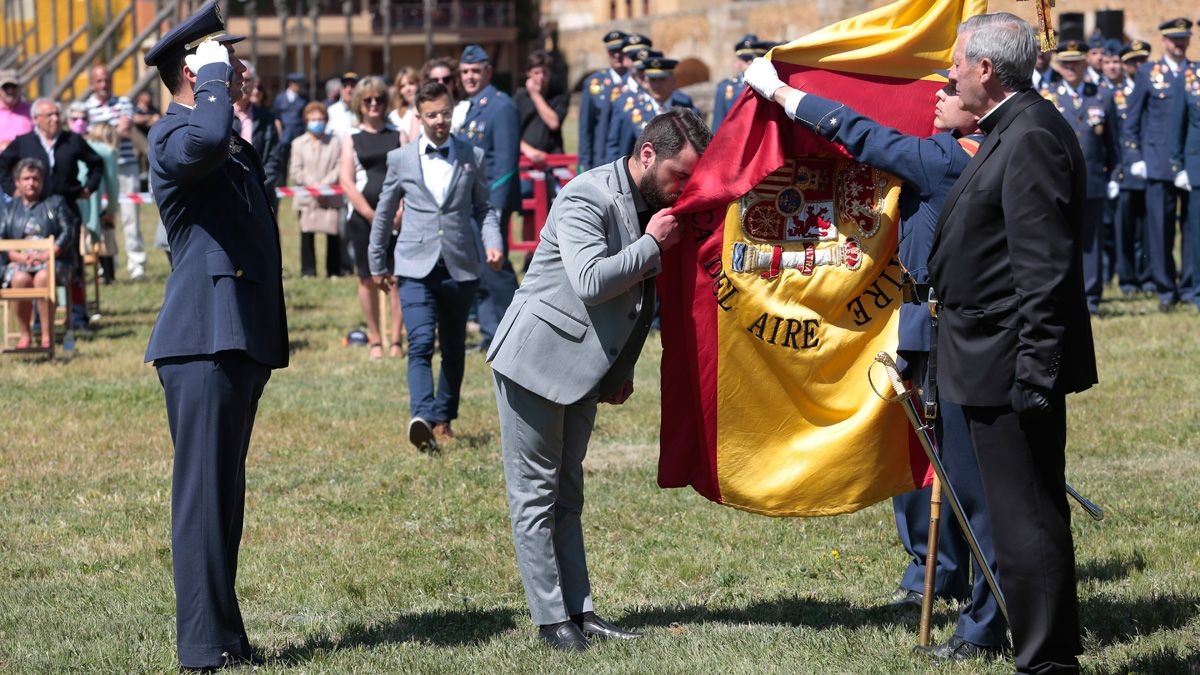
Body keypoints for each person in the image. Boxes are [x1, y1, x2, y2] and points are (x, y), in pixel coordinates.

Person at [745, 54, 1007, 662]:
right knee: (952, 468)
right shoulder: (979, 153)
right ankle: (954, 583)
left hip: (942, 331)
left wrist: (784, 96)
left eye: (951, 90)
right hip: (934, 323)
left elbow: (861, 132)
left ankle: (982, 615)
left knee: (968, 483)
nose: (936, 98)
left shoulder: (945, 160)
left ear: (977, 110)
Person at [487, 108, 710, 652]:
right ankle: (549, 621)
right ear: (648, 154)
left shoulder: (648, 202)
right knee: (535, 497)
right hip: (535, 364)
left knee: (567, 494)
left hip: (584, 369)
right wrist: (654, 245)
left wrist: (622, 366)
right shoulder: (587, 195)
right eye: (679, 176)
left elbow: (638, 302)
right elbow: (591, 281)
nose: (683, 189)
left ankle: (580, 612)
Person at [928, 13, 1097, 673]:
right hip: (990, 356)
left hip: (1010, 362)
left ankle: (1046, 660)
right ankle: (1050, 647)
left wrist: (1035, 370)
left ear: (986, 70)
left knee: (1025, 520)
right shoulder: (1009, 128)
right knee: (1024, 515)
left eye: (956, 64)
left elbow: (1043, 269)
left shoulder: (1028, 136)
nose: (950, 75)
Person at [141, 2, 288, 668]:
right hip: (202, 338)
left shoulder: (222, 139)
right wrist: (213, 84)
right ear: (192, 70)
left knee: (224, 498)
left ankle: (225, 634)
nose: (238, 68)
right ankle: (200, 646)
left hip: (235, 334)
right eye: (222, 59)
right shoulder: (174, 134)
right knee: (202, 498)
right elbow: (206, 138)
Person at [368, 81, 504, 450]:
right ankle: (422, 417)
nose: (440, 120)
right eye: (432, 115)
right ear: (419, 116)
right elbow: (384, 214)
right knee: (421, 341)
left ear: (452, 110)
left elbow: (484, 208)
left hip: (460, 265)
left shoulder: (471, 156)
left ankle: (444, 417)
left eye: (445, 112)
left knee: (455, 348)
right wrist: (377, 261)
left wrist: (493, 242)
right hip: (414, 265)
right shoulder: (401, 160)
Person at [1043, 39, 1120, 315]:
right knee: (1059, 239)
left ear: (1086, 62)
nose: (1071, 67)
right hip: (1057, 181)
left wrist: (1114, 174)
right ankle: (1063, 296)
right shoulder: (1047, 96)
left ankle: (1091, 297)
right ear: (1059, 66)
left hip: (1094, 180)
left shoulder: (1101, 95)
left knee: (1091, 242)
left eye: (1076, 62)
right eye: (1066, 63)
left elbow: (1113, 142)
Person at [1123, 18, 1194, 312]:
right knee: (1160, 228)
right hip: (1157, 162)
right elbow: (1132, 121)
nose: (1179, 44)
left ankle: (1190, 286)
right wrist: (1135, 157)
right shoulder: (1148, 74)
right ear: (1164, 41)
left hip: (1191, 163)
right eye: (1174, 39)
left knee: (1192, 230)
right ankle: (1166, 288)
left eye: (1183, 39)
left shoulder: (1196, 72)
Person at [455, 44, 521, 352]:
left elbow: (506, 163)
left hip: (489, 204)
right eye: (465, 71)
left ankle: (516, 328)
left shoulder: (500, 105)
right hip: (468, 203)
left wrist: (493, 207)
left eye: (475, 71)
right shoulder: (470, 107)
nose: (469, 76)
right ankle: (489, 333)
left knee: (495, 268)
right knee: (479, 270)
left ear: (488, 72)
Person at [339, 76, 404, 359]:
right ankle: (375, 338)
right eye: (368, 100)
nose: (374, 104)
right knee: (368, 278)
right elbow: (346, 180)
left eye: (379, 99)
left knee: (397, 278)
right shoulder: (350, 138)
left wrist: (400, 210)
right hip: (363, 217)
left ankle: (396, 340)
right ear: (360, 105)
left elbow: (408, 175)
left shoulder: (399, 134)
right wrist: (370, 213)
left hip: (398, 218)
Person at [0, 158, 77, 349]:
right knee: (19, 280)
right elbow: (1, 238)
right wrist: (16, 256)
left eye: (35, 179)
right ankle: (25, 334)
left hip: (52, 261)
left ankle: (46, 335)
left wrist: (50, 253)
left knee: (43, 278)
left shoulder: (55, 203)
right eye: (26, 178)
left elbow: (68, 231)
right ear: (17, 182)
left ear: (42, 181)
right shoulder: (9, 210)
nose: (31, 183)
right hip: (20, 262)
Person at [85, 63, 145, 281]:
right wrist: (112, 131)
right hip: (100, 169)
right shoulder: (86, 107)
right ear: (92, 84)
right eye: (99, 81)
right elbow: (86, 136)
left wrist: (99, 133)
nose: (104, 84)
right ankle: (108, 265)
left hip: (125, 166)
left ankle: (136, 265)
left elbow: (125, 130)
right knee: (103, 218)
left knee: (131, 218)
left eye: (107, 80)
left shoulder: (124, 103)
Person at [1, 99, 103, 214]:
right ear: (36, 119)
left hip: (67, 208)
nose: (55, 119)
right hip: (32, 211)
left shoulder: (72, 140)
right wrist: (13, 190)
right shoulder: (24, 142)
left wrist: (89, 188)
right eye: (49, 115)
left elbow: (96, 163)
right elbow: (2, 165)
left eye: (57, 114)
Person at [1113, 39, 1153, 294]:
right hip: (1124, 169)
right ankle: (1127, 279)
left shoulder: (1152, 87)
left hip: (1148, 167)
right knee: (1124, 229)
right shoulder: (1114, 92)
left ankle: (1147, 277)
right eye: (1132, 62)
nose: (1137, 66)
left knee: (1148, 229)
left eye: (1141, 61)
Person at [606, 54, 697, 164]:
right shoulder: (632, 111)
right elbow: (619, 149)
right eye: (653, 80)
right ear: (646, 82)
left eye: (662, 79)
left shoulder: (687, 109)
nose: (657, 85)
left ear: (673, 81)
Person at [289, 101, 343, 278]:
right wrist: (314, 187)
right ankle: (308, 271)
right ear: (306, 120)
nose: (317, 122)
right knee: (307, 234)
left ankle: (334, 270)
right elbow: (296, 170)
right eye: (313, 119)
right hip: (307, 196)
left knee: (333, 234)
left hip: (330, 195)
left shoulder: (335, 142)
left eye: (320, 118)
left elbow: (339, 166)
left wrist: (325, 186)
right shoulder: (298, 143)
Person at [514, 50, 569, 199]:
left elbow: (553, 123)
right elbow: (511, 133)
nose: (541, 77)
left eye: (545, 72)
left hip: (553, 163)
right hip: (526, 163)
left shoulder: (558, 95)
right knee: (528, 211)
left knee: (558, 209)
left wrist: (535, 95)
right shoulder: (519, 99)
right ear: (528, 73)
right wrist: (529, 151)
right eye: (536, 72)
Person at [74, 112, 121, 285]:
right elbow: (112, 183)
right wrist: (112, 210)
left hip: (76, 195)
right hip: (93, 198)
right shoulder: (108, 151)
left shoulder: (84, 145)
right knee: (102, 235)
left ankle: (80, 274)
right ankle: (107, 275)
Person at [1171, 35, 1200, 314]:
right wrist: (1177, 164)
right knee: (1197, 234)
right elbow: (1178, 123)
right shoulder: (1190, 78)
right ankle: (1198, 290)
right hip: (1197, 167)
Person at [232, 65, 285, 214]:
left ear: (254, 84)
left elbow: (275, 158)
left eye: (247, 79)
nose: (242, 83)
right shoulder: (222, 116)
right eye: (236, 76)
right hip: (230, 195)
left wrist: (257, 187)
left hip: (262, 194)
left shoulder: (266, 118)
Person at [577, 30, 628, 171]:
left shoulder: (637, 83)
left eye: (621, 50)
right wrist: (585, 163)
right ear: (607, 53)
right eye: (613, 51)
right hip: (600, 160)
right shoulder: (594, 83)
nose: (617, 55)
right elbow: (585, 127)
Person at [711, 34, 767, 133]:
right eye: (746, 60)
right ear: (737, 63)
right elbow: (718, 127)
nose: (750, 63)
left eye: (753, 60)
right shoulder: (725, 88)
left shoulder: (769, 86)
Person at [0, 68, 32, 151]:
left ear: (19, 88)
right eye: (6, 87)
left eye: (13, 86)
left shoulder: (31, 111)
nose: (10, 90)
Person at [388, 67, 422, 141]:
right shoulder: (394, 116)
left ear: (419, 84)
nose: (407, 89)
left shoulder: (430, 110)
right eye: (402, 86)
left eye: (411, 83)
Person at [274, 72, 309, 143]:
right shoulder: (280, 98)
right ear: (291, 83)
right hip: (285, 136)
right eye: (298, 83)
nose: (300, 86)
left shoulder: (304, 99)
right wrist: (280, 135)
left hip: (299, 135)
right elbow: (276, 118)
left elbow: (306, 117)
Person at [326, 71, 359, 136]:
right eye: (345, 86)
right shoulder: (331, 111)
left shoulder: (365, 111)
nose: (349, 90)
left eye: (353, 86)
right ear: (340, 89)